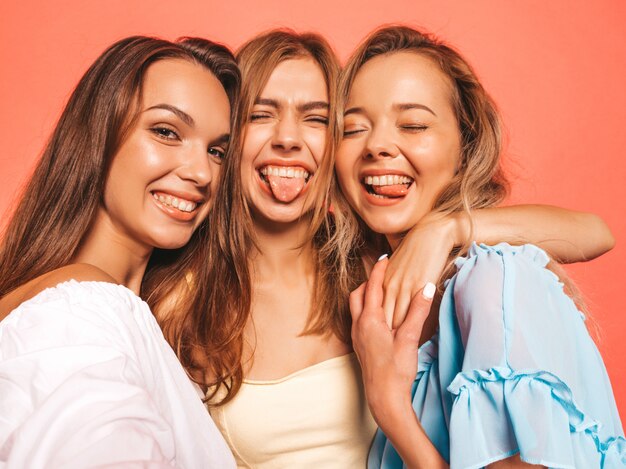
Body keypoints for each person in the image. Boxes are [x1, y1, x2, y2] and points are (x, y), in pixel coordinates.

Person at [149, 29, 615, 468]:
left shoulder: (379, 270)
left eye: (315, 118)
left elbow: (595, 232)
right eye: (259, 114)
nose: (288, 138)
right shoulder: (185, 297)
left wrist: (446, 229)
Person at [338, 26, 625, 468]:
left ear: (465, 145)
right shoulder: (375, 296)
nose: (377, 146)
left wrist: (391, 409)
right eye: (353, 128)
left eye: (413, 124)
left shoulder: (492, 283)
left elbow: (597, 232)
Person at [0, 36, 239, 468]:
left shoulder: (111, 316)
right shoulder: (80, 316)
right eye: (167, 132)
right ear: (100, 135)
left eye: (216, 151)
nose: (202, 172)